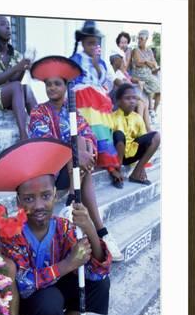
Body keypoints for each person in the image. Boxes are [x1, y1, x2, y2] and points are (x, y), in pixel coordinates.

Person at [0, 139, 111, 315]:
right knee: (49, 300)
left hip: (55, 287)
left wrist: (90, 229)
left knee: (99, 284)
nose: (38, 205)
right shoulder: (11, 233)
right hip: (27, 303)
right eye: (28, 199)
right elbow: (23, 285)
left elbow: (96, 271)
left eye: (45, 196)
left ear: (55, 194)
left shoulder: (63, 227)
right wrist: (67, 265)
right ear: (18, 201)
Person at [28, 55, 123, 261]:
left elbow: (90, 139)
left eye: (56, 84)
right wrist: (76, 152)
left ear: (66, 86)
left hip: (75, 172)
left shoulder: (75, 114)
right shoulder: (38, 112)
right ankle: (101, 231)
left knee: (81, 143)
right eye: (48, 85)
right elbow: (43, 145)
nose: (52, 88)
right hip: (50, 172)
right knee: (76, 148)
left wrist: (85, 153)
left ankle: (73, 203)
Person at [69, 20, 123, 188]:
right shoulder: (76, 59)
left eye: (95, 42)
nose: (93, 46)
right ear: (83, 43)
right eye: (89, 42)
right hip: (82, 98)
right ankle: (96, 160)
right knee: (91, 129)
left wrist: (95, 65)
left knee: (102, 129)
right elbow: (70, 80)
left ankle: (109, 162)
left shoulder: (101, 62)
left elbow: (102, 81)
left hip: (98, 98)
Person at [0, 15, 37, 139]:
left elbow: (13, 81)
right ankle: (23, 135)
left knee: (26, 89)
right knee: (17, 87)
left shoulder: (13, 53)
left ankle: (41, 128)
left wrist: (23, 68)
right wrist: (17, 67)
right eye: (3, 24)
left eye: (9, 25)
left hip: (5, 94)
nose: (8, 27)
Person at [112, 83, 161, 185]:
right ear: (119, 101)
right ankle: (117, 171)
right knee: (118, 134)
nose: (132, 101)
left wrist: (142, 166)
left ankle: (136, 173)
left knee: (156, 137)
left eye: (134, 98)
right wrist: (111, 168)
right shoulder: (112, 118)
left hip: (131, 155)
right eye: (127, 98)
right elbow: (108, 145)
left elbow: (143, 140)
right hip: (116, 156)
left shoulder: (137, 118)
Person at [109, 50, 152, 131]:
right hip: (115, 99)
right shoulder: (114, 73)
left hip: (121, 96)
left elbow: (128, 81)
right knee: (140, 103)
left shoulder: (119, 72)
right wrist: (136, 97)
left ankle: (147, 128)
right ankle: (137, 128)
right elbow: (124, 86)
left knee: (143, 103)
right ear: (116, 60)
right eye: (122, 59)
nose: (123, 62)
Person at [131, 30, 161, 115]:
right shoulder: (135, 50)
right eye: (138, 38)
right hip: (139, 75)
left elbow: (154, 64)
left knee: (160, 91)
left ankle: (153, 111)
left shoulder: (149, 51)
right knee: (156, 86)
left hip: (148, 75)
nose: (139, 41)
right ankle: (151, 110)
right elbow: (138, 62)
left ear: (146, 39)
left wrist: (147, 62)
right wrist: (147, 62)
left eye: (141, 39)